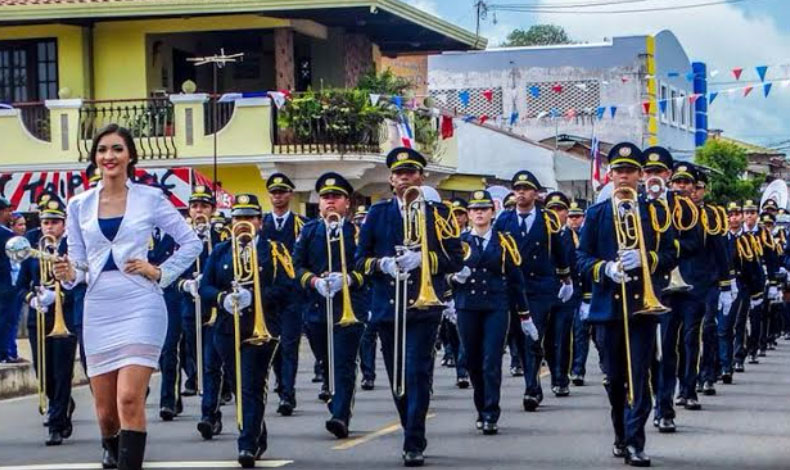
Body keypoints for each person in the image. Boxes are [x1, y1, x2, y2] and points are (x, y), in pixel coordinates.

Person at [54, 124, 201, 470]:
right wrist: (69, 273)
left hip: (140, 303)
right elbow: (79, 265)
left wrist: (160, 271)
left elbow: (192, 242)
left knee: (129, 398)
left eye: (117, 149)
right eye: (103, 150)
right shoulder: (78, 205)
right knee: (106, 414)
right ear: (94, 157)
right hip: (98, 306)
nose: (110, 156)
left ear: (130, 155)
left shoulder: (150, 198)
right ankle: (112, 448)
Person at [355, 147, 463, 467]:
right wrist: (383, 264)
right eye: (399, 175)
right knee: (397, 377)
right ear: (391, 180)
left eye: (411, 173)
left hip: (423, 307)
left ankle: (413, 439)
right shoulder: (377, 214)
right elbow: (360, 261)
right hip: (388, 307)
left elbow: (455, 257)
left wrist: (423, 260)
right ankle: (409, 424)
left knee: (416, 372)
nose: (405, 179)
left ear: (421, 177)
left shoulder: (439, 213)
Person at [577, 143, 675, 467]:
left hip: (642, 307)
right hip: (607, 308)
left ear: (640, 176)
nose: (624, 177)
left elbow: (673, 253)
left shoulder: (656, 212)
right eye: (619, 171)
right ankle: (621, 432)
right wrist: (606, 269)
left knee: (640, 375)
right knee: (614, 378)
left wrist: (646, 259)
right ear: (610, 174)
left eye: (631, 171)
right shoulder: (596, 214)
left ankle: (636, 442)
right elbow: (581, 259)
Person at [198, 193, 293, 468]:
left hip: (261, 328)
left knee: (252, 383)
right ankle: (257, 433)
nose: (243, 223)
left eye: (249, 217)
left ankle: (246, 443)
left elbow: (288, 288)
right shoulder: (220, 251)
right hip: (227, 328)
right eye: (238, 217)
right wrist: (222, 298)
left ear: (260, 222)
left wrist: (256, 295)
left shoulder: (274, 250)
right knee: (240, 385)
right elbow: (206, 286)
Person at [449, 189, 529, 435]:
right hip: (467, 306)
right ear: (469, 215)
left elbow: (515, 279)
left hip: (496, 306)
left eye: (484, 209)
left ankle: (491, 412)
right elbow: (444, 274)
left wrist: (524, 313)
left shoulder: (504, 241)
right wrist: (453, 281)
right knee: (472, 360)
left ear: (493, 213)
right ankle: (480, 406)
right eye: (474, 210)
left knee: (491, 360)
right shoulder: (460, 242)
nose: (479, 213)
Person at [293, 172, 366, 439]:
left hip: (349, 306)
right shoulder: (310, 231)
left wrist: (348, 279)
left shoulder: (357, 230)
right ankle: (330, 386)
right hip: (316, 308)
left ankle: (340, 415)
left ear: (347, 202)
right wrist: (313, 281)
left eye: (336, 197)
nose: (330, 202)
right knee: (325, 358)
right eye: (325, 198)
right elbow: (296, 265)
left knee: (344, 362)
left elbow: (365, 268)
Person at [494, 170, 572, 411]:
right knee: (516, 337)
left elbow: (559, 250)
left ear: (536, 194)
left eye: (526, 189)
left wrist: (565, 279)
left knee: (532, 337)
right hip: (511, 287)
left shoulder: (547, 219)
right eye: (517, 189)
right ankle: (532, 380)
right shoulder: (504, 220)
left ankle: (531, 387)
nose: (521, 193)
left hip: (539, 287)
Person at [16, 197, 79, 446]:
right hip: (39, 317)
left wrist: (59, 294)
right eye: (45, 223)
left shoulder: (72, 250)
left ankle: (56, 422)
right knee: (44, 373)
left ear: (64, 225)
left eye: (55, 222)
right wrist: (32, 298)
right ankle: (61, 405)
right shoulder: (33, 252)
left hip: (65, 316)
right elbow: (20, 286)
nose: (49, 228)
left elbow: (80, 282)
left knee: (62, 371)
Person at [261, 173, 309, 414]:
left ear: (290, 194)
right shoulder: (262, 223)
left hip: (292, 294)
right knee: (274, 345)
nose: (277, 197)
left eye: (282, 192)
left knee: (290, 344)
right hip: (268, 295)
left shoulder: (302, 224)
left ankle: (287, 394)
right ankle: (281, 384)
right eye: (273, 192)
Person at [724, 202, 764, 382]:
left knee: (739, 322)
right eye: (730, 214)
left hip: (742, 286)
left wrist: (758, 292)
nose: (734, 218)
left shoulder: (749, 239)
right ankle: (722, 363)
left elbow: (755, 267)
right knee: (722, 327)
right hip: (723, 285)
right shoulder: (721, 238)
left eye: (737, 214)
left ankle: (738, 357)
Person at [543, 191, 578, 397]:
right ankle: (554, 370)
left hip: (568, 292)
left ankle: (561, 377)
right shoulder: (541, 233)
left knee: (564, 335)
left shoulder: (572, 235)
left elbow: (578, 265)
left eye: (560, 209)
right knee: (548, 338)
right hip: (546, 292)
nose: (556, 214)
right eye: (551, 210)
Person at [441, 197, 469, 388]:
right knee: (451, 334)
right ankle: (452, 355)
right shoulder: (445, 236)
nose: (456, 218)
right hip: (449, 292)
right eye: (454, 214)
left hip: (468, 293)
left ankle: (463, 371)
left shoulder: (469, 237)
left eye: (460, 214)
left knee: (464, 334)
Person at [354, 205, 378, 391]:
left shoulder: (375, 239)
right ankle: (368, 375)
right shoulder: (355, 240)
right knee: (367, 337)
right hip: (363, 294)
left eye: (364, 220)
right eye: (358, 220)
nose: (361, 223)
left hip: (378, 291)